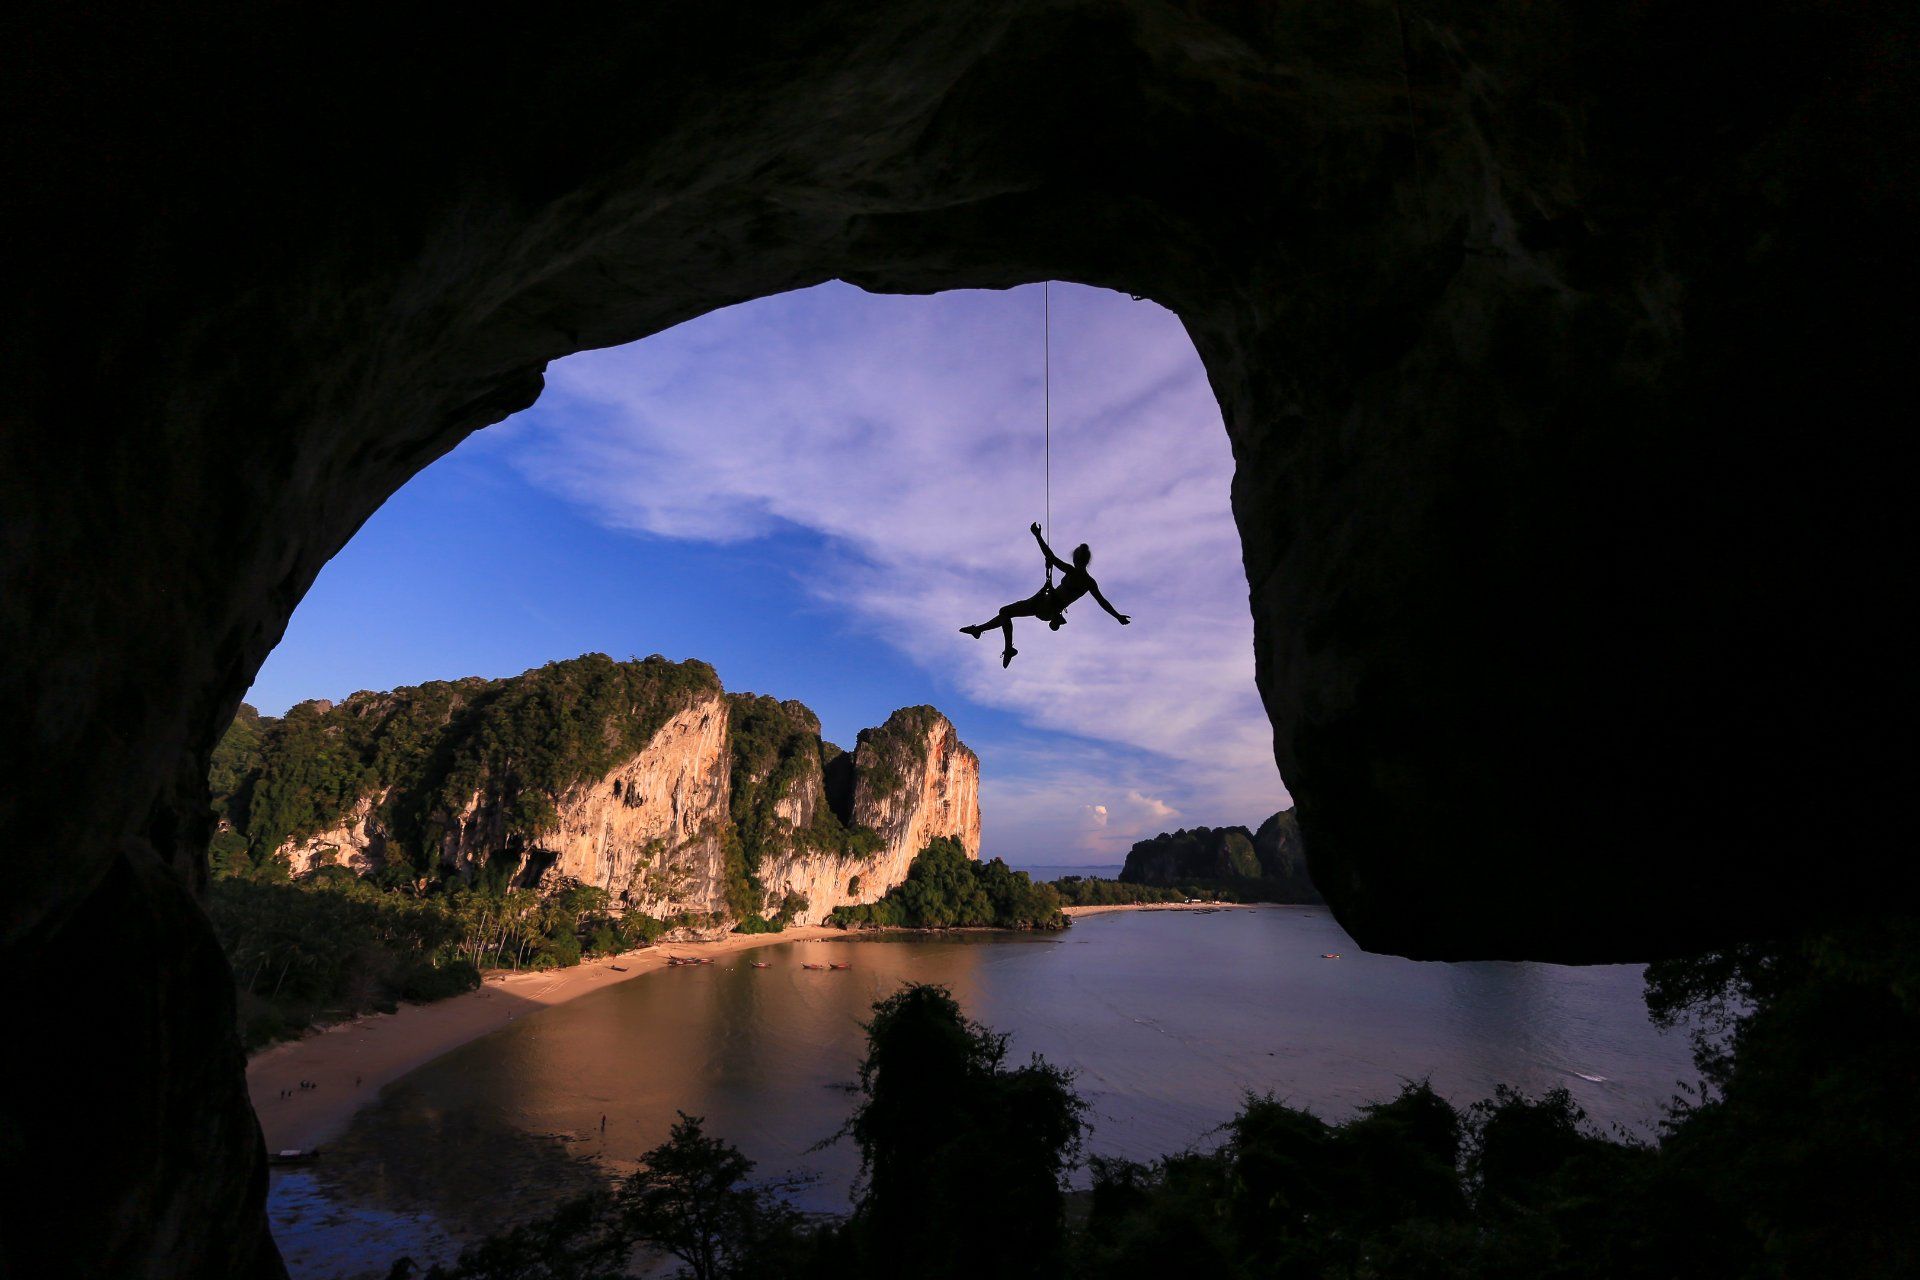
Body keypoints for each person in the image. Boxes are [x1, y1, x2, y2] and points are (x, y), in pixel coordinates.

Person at [961, 522, 1129, 666]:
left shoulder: (1072, 572)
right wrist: (1118, 616)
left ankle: (1006, 648)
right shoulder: (1089, 582)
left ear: (1076, 559)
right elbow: (1103, 602)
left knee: (1005, 612)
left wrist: (1037, 536)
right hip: (1046, 605)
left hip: (1047, 605)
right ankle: (981, 631)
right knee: (1005, 612)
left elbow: (1050, 555)